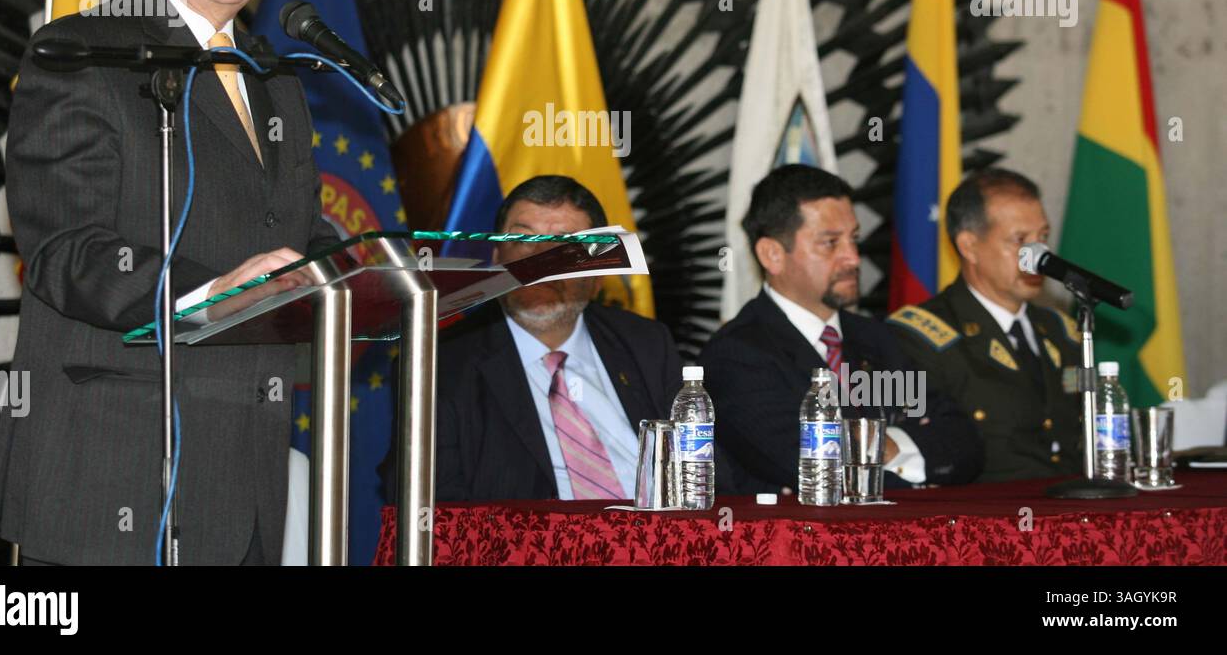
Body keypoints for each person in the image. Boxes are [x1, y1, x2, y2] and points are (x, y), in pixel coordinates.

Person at [0, 0, 341, 564]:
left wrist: (367, 271)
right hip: (113, 482)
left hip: (249, 490)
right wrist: (210, 294)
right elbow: (68, 254)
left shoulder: (278, 81)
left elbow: (298, 235)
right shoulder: (83, 51)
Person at [702, 165, 983, 493]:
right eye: (830, 243)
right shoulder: (737, 354)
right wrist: (908, 457)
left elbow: (965, 442)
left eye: (854, 239)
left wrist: (882, 448)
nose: (853, 258)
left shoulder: (876, 338)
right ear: (772, 255)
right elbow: (811, 466)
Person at [422, 175, 685, 502]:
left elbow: (705, 471)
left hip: (662, 543)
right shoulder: (439, 363)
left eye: (563, 244)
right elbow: (427, 503)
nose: (538, 262)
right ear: (496, 258)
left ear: (598, 273)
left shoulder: (646, 343)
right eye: (523, 239)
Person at [888, 168, 1083, 481]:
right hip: (986, 521)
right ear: (969, 246)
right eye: (1020, 240)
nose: (1039, 255)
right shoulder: (919, 338)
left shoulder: (1062, 330)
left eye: (1043, 237)